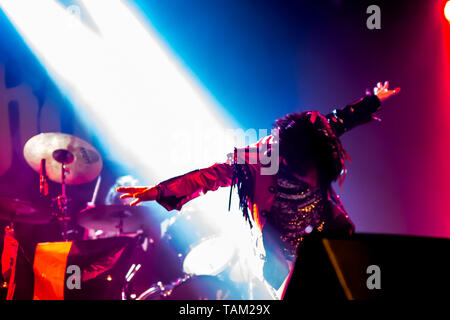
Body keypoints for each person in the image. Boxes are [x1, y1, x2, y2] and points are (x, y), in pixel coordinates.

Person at [117, 81, 400, 299]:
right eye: (307, 176)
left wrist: (374, 99)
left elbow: (341, 119)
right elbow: (209, 176)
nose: (313, 181)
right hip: (280, 252)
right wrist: (161, 190)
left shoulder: (317, 136)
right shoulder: (256, 161)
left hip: (324, 230)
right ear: (286, 160)